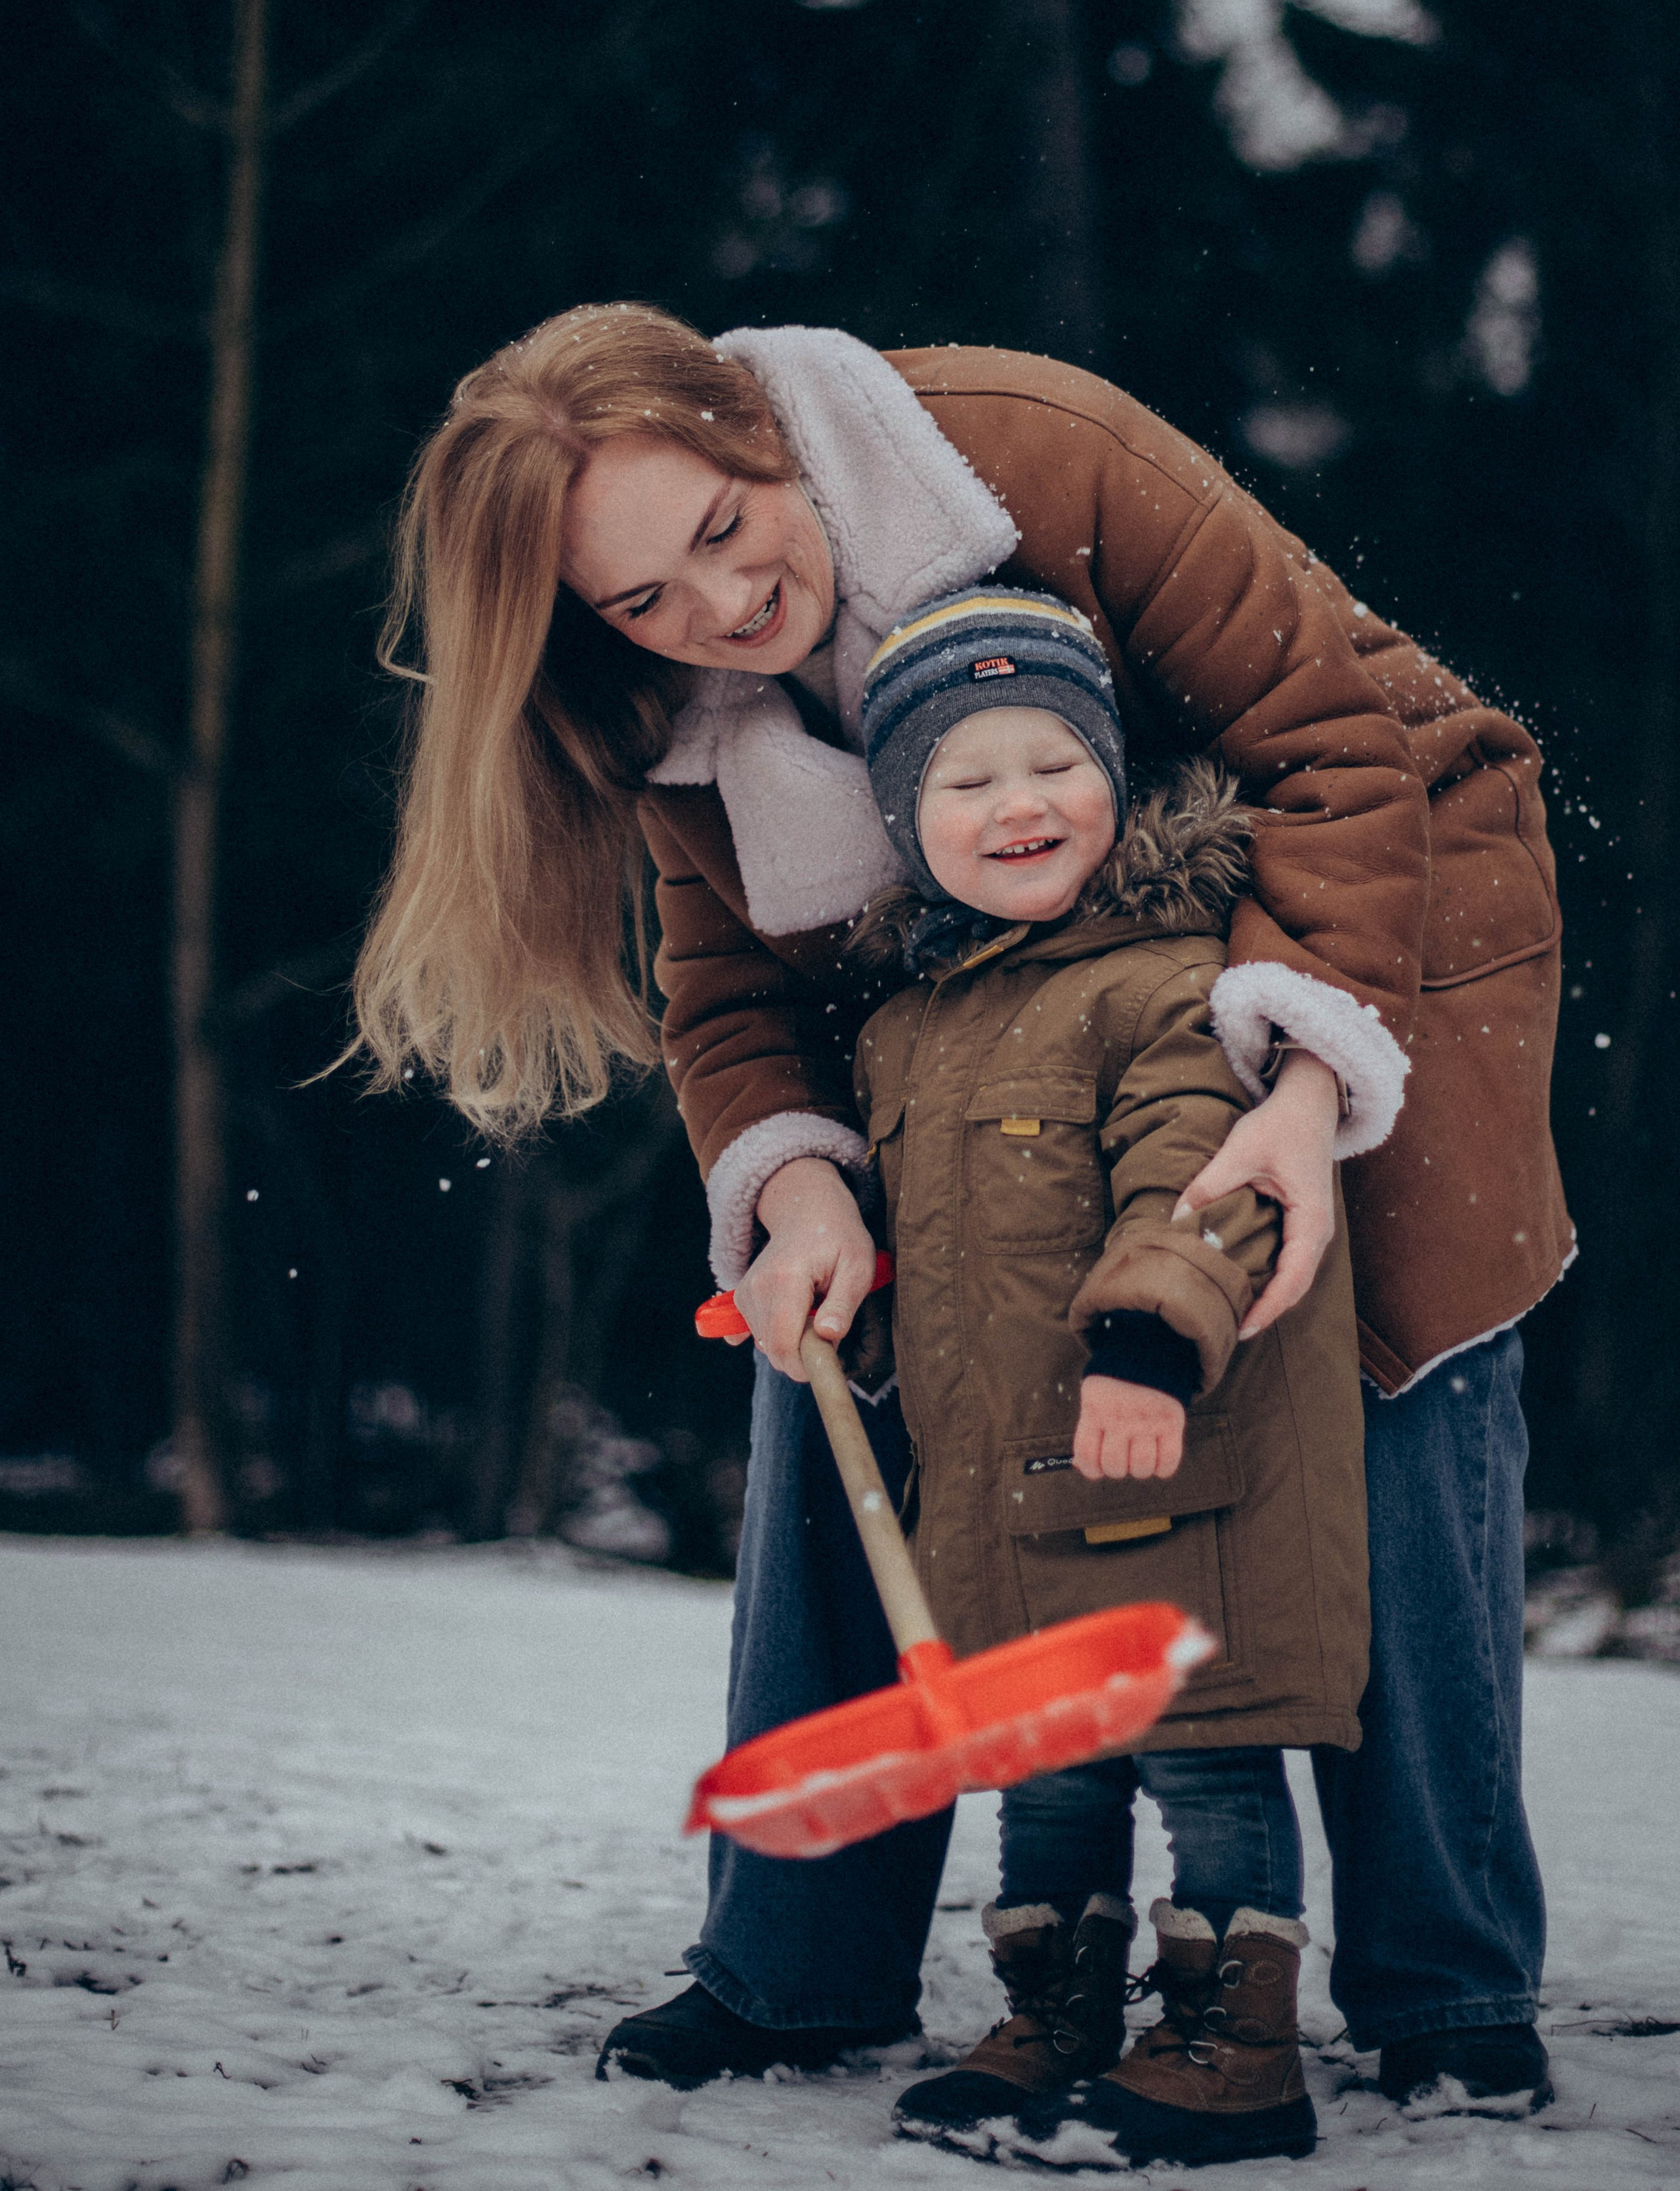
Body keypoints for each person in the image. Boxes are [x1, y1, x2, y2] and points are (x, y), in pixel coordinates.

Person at [348, 303, 1568, 2107]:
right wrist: (796, 1191)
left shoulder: (1032, 447)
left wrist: (1310, 1091)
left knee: (1372, 1335)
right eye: (640, 603)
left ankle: (1450, 1987)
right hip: (999, 998)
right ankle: (797, 1966)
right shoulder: (676, 705)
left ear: (753, 430)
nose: (719, 608)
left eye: (718, 530)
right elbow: (738, 988)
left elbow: (1342, 747)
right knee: (836, 1350)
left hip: (1376, 887)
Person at [845, 585, 1367, 2168]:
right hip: (1005, 1502)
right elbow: (942, 1266)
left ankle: (1231, 2044)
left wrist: (1147, 1339)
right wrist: (839, 1308)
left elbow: (1202, 1183)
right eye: (965, 778)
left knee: (1203, 1759)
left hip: (1166, 1470)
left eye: (1052, 762)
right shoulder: (905, 1031)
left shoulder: (1170, 984)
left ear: (1118, 784)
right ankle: (1054, 2016)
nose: (1017, 806)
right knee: (1050, 1785)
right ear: (902, 820)